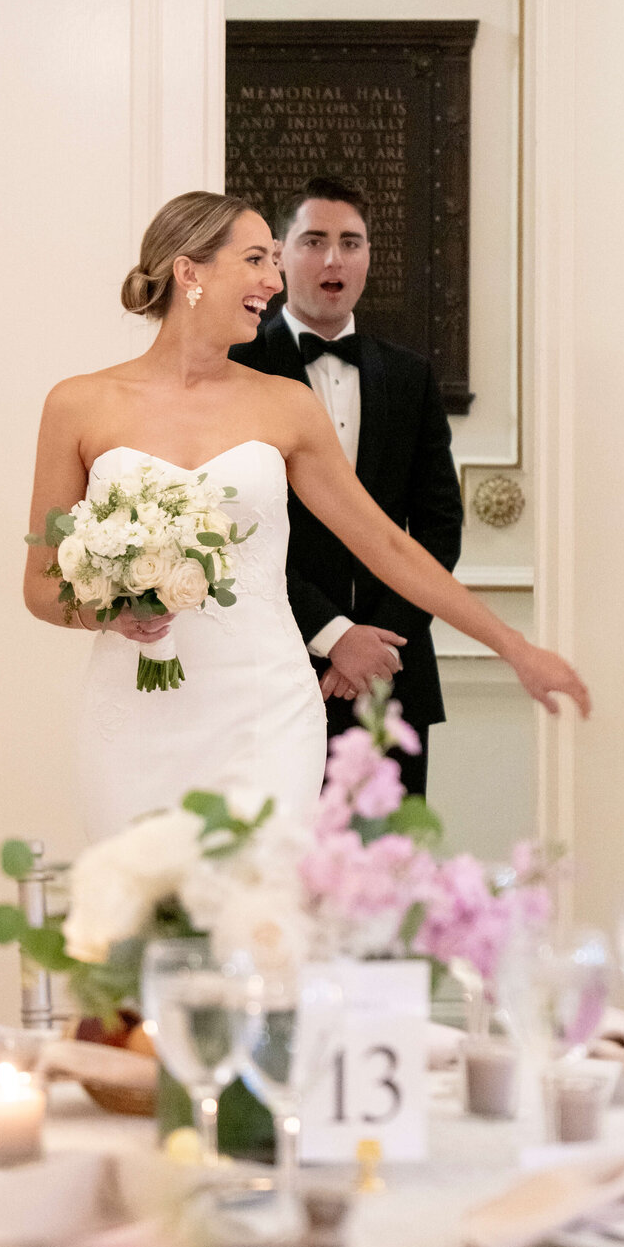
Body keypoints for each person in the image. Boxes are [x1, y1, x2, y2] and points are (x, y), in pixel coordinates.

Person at [24, 191, 589, 840]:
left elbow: (389, 545)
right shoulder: (77, 404)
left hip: (266, 708)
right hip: (134, 708)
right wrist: (113, 610)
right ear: (191, 273)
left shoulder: (287, 406)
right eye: (258, 258)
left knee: (264, 914)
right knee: (138, 916)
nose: (275, 278)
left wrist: (514, 648)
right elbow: (41, 587)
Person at [229, 176, 459, 796]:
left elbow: (439, 530)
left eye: (351, 243)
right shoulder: (236, 371)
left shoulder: (411, 376)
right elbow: (234, 531)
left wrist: (376, 645)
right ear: (279, 256)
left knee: (387, 881)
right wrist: (333, 637)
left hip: (392, 676)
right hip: (273, 669)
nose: (335, 259)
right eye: (315, 241)